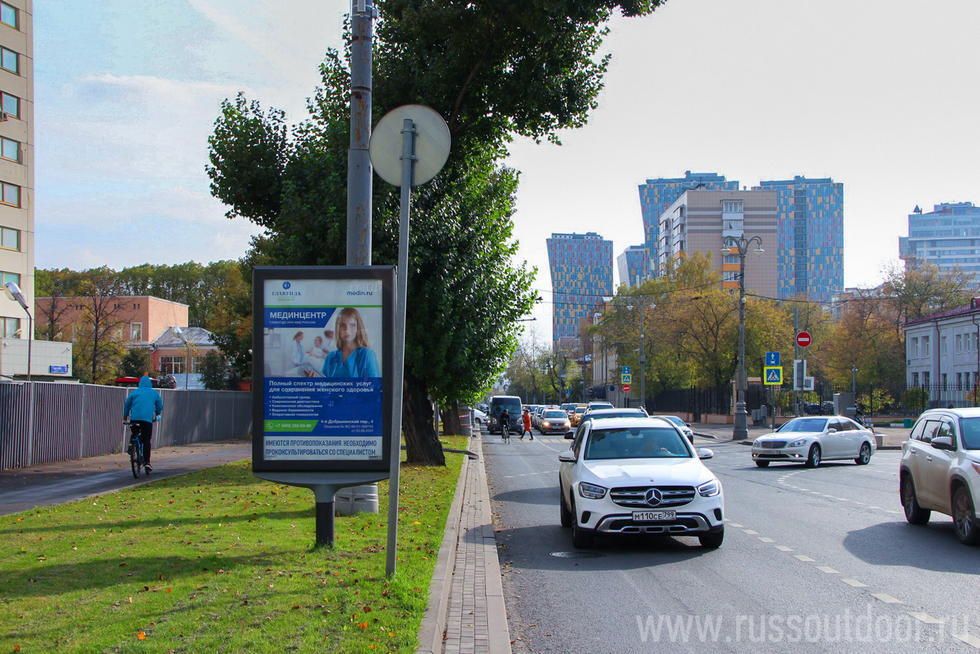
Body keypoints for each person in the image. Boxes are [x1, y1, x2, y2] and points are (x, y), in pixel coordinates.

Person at [321, 308, 380, 377]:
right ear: (338, 329)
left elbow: (374, 386)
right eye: (343, 325)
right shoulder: (330, 357)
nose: (347, 330)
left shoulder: (367, 355)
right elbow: (324, 385)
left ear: (358, 328)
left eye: (352, 325)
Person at [123, 374, 164, 472]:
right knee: (146, 440)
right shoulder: (154, 393)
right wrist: (157, 414)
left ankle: (131, 445)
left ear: (139, 383)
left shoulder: (134, 392)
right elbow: (159, 405)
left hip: (135, 419)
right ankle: (147, 462)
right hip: (147, 420)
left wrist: (125, 417)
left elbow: (127, 405)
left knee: (135, 432)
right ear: (150, 384)